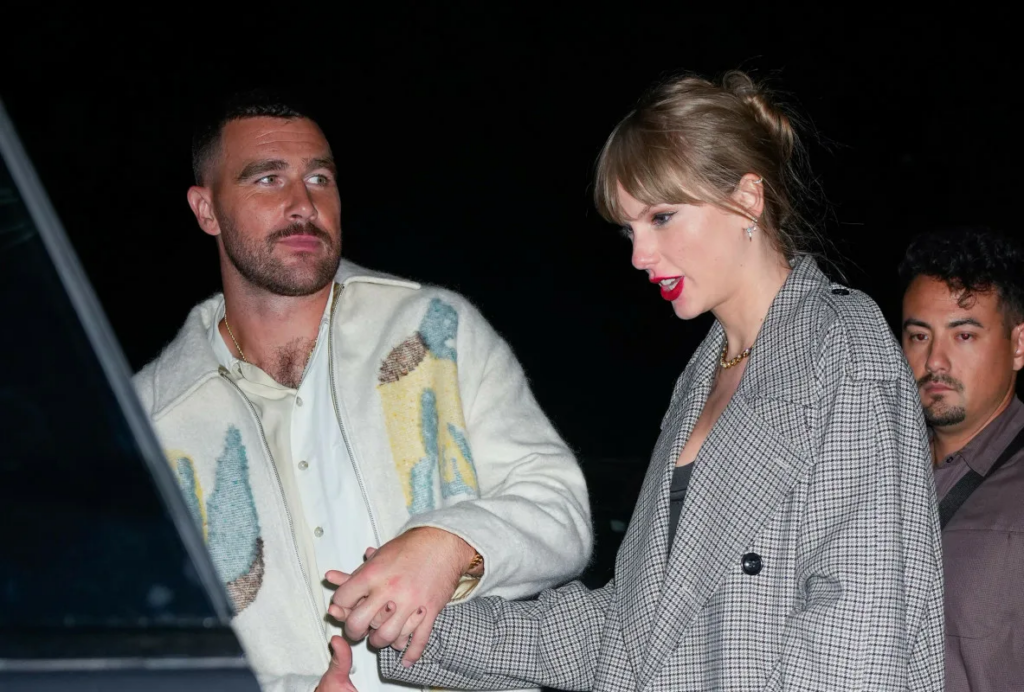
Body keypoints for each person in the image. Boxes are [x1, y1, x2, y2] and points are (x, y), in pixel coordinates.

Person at [323, 70, 945, 691]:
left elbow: (859, 631)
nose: (639, 256)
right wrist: (412, 616)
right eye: (629, 229)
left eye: (662, 217)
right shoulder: (701, 379)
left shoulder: (840, 344)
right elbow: (629, 632)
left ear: (748, 198)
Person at [131, 91, 593, 692]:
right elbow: (143, 647)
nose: (303, 204)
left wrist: (451, 543)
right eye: (268, 179)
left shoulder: (435, 331)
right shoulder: (148, 420)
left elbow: (560, 510)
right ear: (206, 209)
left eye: (319, 178)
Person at [900, 228, 1024, 692]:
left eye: (964, 335)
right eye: (919, 336)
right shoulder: (872, 472)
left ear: (1018, 345)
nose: (935, 361)